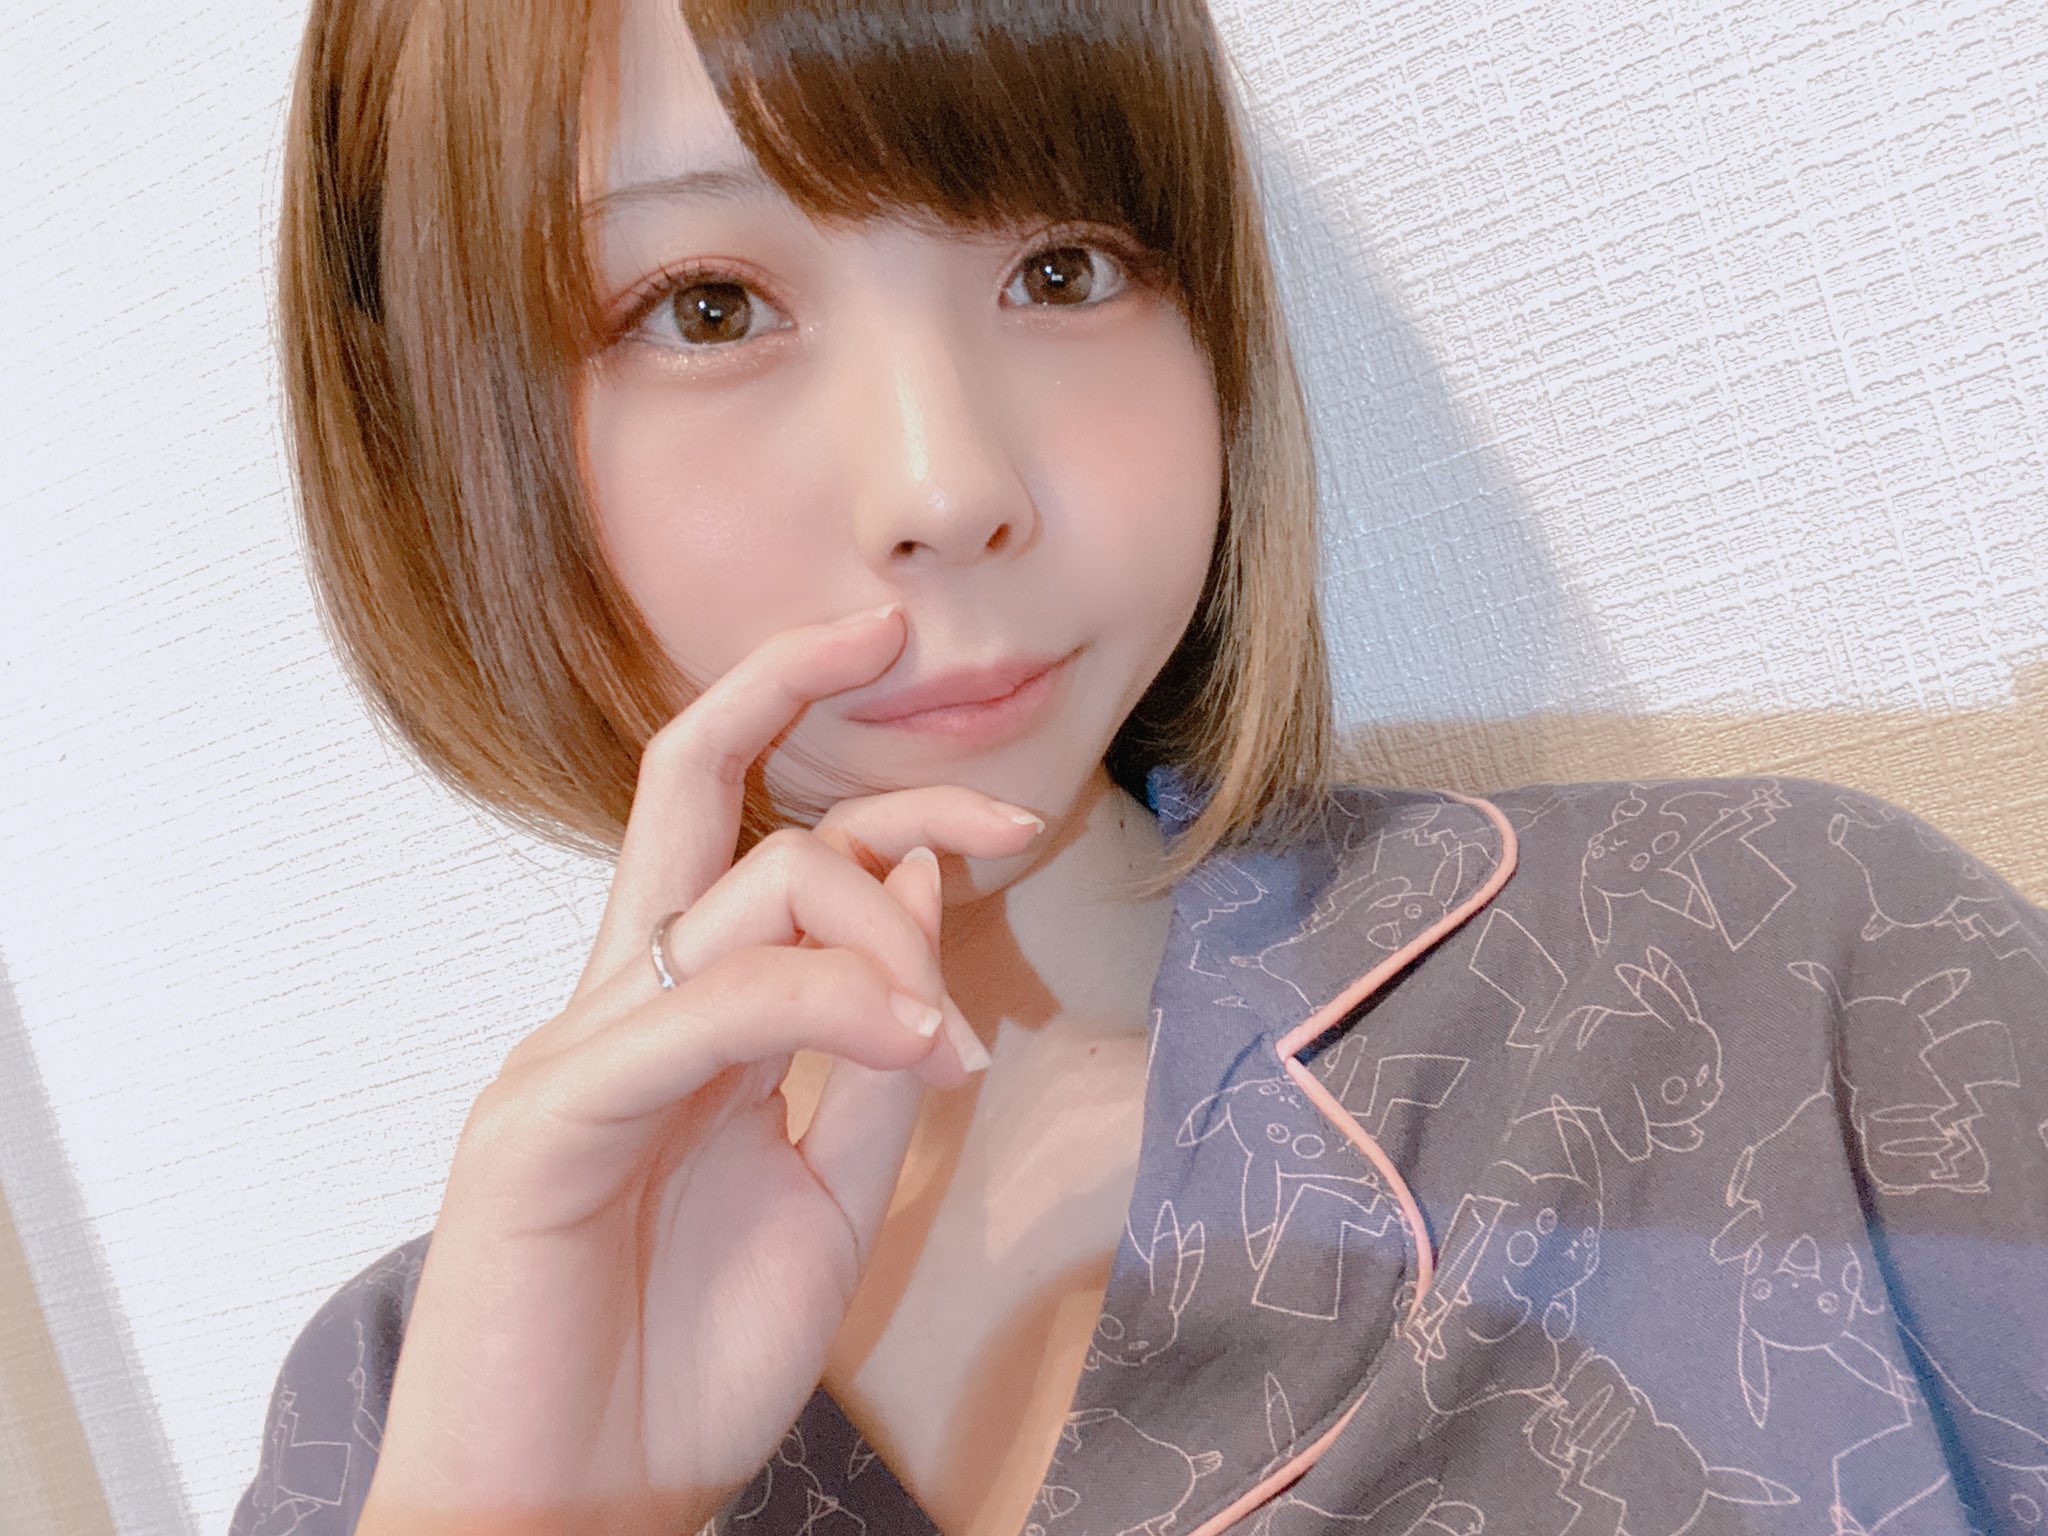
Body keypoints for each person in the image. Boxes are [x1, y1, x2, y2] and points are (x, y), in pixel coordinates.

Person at [229, 0, 2048, 1532]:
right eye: (708, 306)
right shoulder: (394, 1414)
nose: (950, 484)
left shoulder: (1778, 986)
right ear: (435, 432)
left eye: (1063, 268)